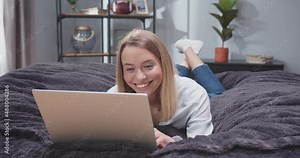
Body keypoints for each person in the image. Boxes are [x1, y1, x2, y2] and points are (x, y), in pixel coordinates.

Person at [107, 29, 224, 148]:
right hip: (165, 81)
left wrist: (172, 143)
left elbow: (201, 146)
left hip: (197, 92)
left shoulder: (193, 94)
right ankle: (184, 62)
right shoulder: (113, 98)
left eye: (148, 66)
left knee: (216, 93)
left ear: (164, 64)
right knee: (170, 77)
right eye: (130, 69)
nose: (140, 77)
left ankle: (188, 49)